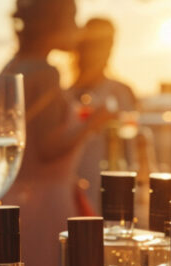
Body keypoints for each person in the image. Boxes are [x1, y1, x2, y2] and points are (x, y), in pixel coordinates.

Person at [0, 0, 111, 266]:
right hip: (48, 207)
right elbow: (47, 148)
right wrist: (92, 122)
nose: (77, 29)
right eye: (72, 19)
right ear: (53, 23)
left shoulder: (11, 66)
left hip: (15, 201)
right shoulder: (46, 72)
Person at [69, 17, 136, 216]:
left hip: (112, 190)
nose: (105, 51)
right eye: (98, 45)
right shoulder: (64, 96)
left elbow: (131, 150)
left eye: (109, 45)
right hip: (73, 187)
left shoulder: (121, 92)